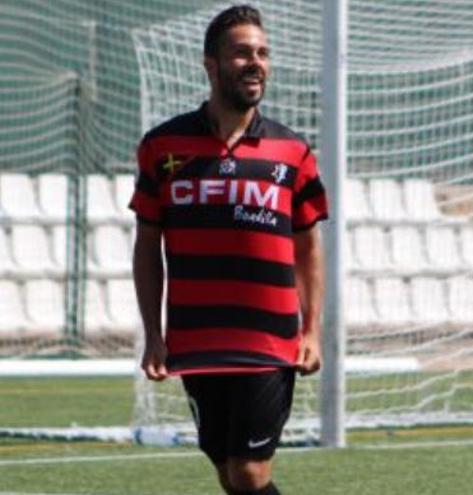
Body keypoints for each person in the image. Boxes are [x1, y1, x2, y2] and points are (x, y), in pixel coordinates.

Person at [130, 5, 327, 494]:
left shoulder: (293, 151)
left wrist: (313, 330)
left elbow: (308, 248)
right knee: (228, 474)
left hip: (269, 341)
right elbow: (147, 246)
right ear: (211, 65)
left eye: (262, 52)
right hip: (197, 340)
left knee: (249, 472)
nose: (255, 62)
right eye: (241, 53)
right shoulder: (162, 146)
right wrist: (153, 335)